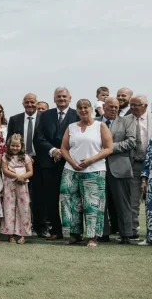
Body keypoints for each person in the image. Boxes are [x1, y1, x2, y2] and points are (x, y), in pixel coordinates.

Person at [60, 99, 113, 247]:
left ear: (91, 109)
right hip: (71, 170)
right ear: (77, 111)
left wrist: (90, 160)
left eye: (86, 107)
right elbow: (64, 148)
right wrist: (72, 163)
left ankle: (92, 237)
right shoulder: (71, 127)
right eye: (80, 108)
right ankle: (74, 234)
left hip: (94, 170)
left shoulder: (100, 126)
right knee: (70, 202)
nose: (83, 110)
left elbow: (109, 148)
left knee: (93, 204)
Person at [33, 87, 79, 240]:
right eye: (59, 96)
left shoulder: (76, 114)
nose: (62, 99)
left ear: (70, 98)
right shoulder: (45, 115)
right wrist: (53, 150)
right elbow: (39, 137)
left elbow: (79, 138)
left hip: (69, 162)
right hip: (49, 162)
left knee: (71, 198)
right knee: (50, 199)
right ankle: (56, 230)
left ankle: (73, 231)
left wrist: (64, 152)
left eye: (64, 96)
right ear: (54, 99)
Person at [102, 97, 137, 243]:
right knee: (99, 203)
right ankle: (102, 233)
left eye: (116, 107)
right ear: (103, 107)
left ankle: (126, 234)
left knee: (123, 203)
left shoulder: (126, 121)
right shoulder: (94, 122)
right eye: (110, 107)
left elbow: (131, 141)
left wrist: (109, 149)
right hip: (97, 167)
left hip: (120, 167)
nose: (114, 109)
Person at [6, 93, 41, 235]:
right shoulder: (15, 119)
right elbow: (9, 140)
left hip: (39, 161)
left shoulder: (43, 117)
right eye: (27, 102)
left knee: (37, 196)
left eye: (32, 102)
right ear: (23, 104)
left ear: (36, 103)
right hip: (17, 164)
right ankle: (14, 229)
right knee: (16, 200)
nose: (30, 105)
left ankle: (39, 227)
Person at [0, 134, 33, 244]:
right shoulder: (5, 157)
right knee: (9, 208)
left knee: (23, 208)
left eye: (17, 146)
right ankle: (10, 234)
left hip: (22, 185)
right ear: (9, 146)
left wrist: (22, 177)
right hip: (9, 185)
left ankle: (23, 234)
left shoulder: (26, 157)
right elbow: (5, 170)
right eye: (12, 146)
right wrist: (16, 176)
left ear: (21, 146)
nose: (15, 148)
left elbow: (30, 171)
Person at [128, 95, 150, 239]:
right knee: (133, 199)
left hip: (151, 163)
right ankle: (132, 231)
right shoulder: (125, 120)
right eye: (131, 105)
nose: (132, 108)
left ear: (145, 106)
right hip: (134, 163)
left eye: (136, 105)